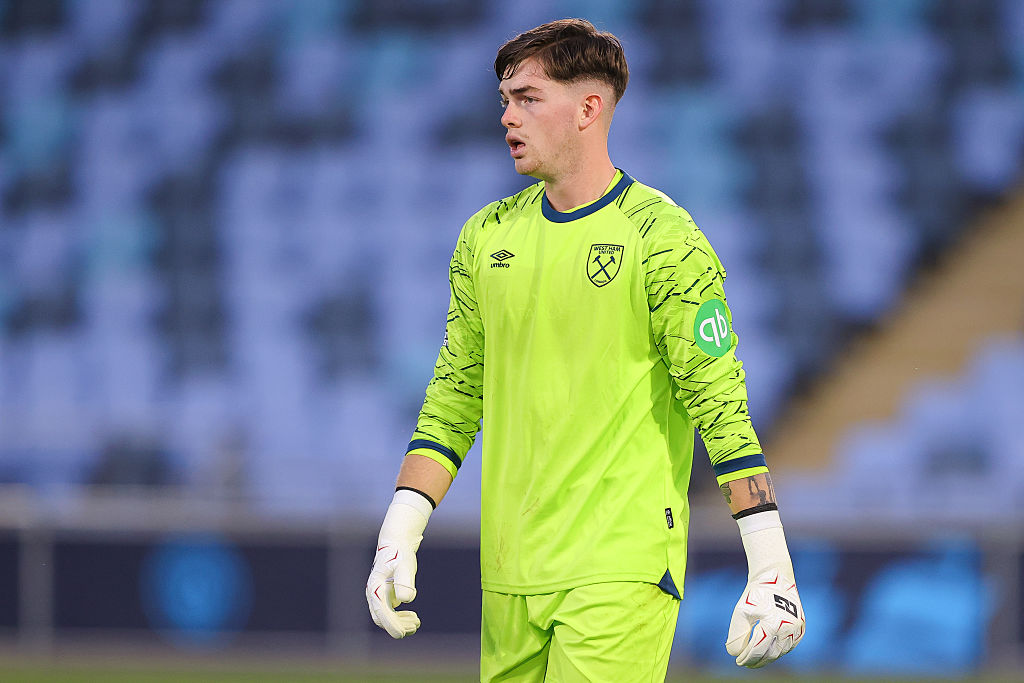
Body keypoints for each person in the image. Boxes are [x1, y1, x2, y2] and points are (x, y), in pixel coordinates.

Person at [366, 18, 805, 682]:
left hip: (618, 566)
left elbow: (721, 407)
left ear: (589, 107)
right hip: (511, 570)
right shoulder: (485, 238)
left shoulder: (664, 238)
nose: (508, 116)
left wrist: (770, 561)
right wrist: (399, 531)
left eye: (528, 97)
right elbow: (455, 396)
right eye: (505, 99)